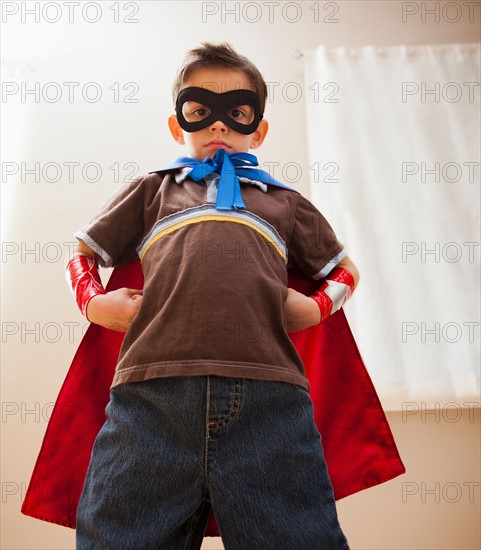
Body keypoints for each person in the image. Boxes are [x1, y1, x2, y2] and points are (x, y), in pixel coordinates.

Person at [68, 41, 358, 549]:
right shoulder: (152, 190)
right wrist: (94, 302)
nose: (219, 126)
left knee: (298, 538)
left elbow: (344, 270)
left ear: (259, 129)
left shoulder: (286, 203)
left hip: (269, 401)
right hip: (151, 398)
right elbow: (82, 255)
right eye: (201, 111)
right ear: (177, 124)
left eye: (237, 113)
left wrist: (315, 306)